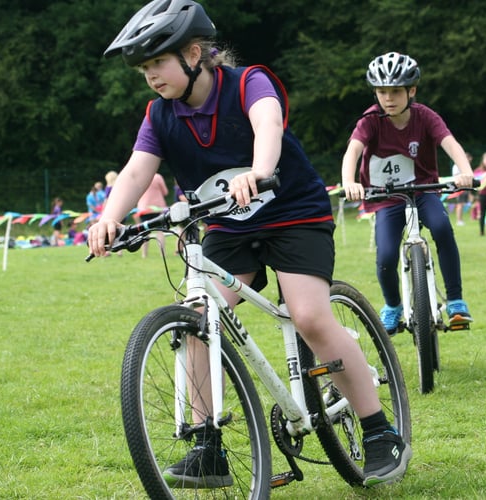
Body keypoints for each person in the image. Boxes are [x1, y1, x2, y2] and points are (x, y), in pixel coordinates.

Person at [90, 0, 409, 489]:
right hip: (228, 226)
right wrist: (109, 219)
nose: (151, 76)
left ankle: (377, 430)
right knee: (196, 317)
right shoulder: (160, 115)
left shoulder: (247, 83)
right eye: (144, 68)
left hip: (292, 213)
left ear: (194, 53)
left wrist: (259, 173)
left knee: (308, 316)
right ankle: (207, 445)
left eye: (158, 62)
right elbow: (137, 169)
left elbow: (268, 125)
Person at [341, 51, 474, 334]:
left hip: (423, 190)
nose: (388, 98)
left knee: (441, 228)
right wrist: (349, 181)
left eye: (396, 92)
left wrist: (465, 171)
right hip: (385, 197)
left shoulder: (425, 117)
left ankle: (456, 300)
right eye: (382, 91)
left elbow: (449, 142)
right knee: (386, 255)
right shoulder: (370, 121)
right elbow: (353, 150)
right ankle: (392, 306)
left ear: (411, 90)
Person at [134, 172, 169, 258]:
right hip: (157, 208)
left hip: (144, 208)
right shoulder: (157, 177)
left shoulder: (139, 177)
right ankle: (162, 253)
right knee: (160, 231)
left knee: (145, 232)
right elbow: (165, 192)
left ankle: (144, 254)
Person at [451, 151, 473, 226]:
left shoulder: (464, 166)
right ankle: (459, 220)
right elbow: (456, 177)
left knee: (463, 204)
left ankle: (461, 219)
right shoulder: (457, 166)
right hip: (459, 187)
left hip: (465, 187)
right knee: (460, 204)